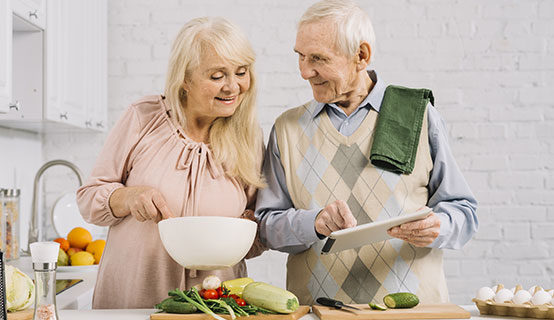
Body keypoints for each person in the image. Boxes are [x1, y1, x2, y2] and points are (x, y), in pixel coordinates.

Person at [255, 0, 478, 305]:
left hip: (414, 310)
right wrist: (314, 223)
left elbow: (463, 210)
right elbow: (266, 225)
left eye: (318, 58)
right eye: (301, 56)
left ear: (361, 55)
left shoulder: (416, 115)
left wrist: (439, 226)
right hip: (321, 311)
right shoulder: (287, 128)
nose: (305, 71)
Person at [77, 17, 265, 309]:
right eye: (217, 76)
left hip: (214, 305)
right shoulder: (144, 117)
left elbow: (258, 227)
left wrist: (248, 230)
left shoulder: (248, 138)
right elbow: (88, 199)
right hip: (134, 297)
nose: (233, 87)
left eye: (241, 72)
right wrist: (127, 197)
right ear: (185, 79)